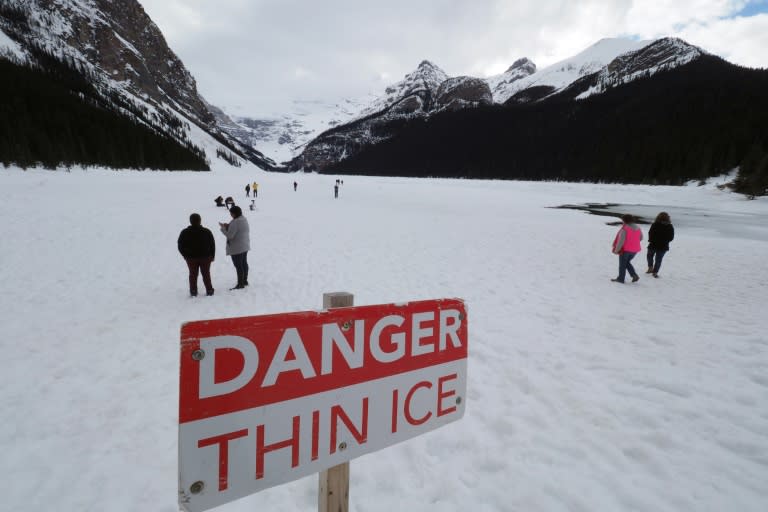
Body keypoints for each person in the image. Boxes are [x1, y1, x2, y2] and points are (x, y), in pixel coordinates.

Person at [177, 213, 215, 297]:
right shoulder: (206, 231)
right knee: (206, 273)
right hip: (206, 257)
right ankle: (209, 290)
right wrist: (212, 255)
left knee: (193, 274)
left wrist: (185, 255)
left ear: (190, 221)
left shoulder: (184, 232)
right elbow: (212, 244)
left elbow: (180, 245)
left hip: (191, 258)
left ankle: (193, 291)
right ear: (200, 220)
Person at [219, 205, 250, 290]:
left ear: (234, 213)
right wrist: (228, 226)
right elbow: (238, 229)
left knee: (239, 266)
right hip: (244, 246)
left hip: (237, 248)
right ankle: (244, 281)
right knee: (244, 264)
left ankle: (240, 284)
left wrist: (223, 229)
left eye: (231, 213)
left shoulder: (235, 222)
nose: (230, 215)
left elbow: (230, 235)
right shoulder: (243, 219)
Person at [611, 213, 643, 283]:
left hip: (625, 250)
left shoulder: (624, 229)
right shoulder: (638, 228)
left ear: (624, 220)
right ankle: (634, 275)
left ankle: (621, 279)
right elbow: (641, 238)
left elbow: (621, 242)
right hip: (635, 250)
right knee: (626, 263)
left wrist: (616, 250)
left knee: (622, 265)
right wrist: (633, 242)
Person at [646, 211, 675, 278]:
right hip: (663, 246)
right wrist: (666, 241)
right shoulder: (670, 226)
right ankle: (655, 272)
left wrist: (650, 240)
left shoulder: (655, 224)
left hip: (653, 244)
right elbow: (671, 237)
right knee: (658, 259)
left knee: (649, 256)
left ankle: (650, 267)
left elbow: (650, 233)